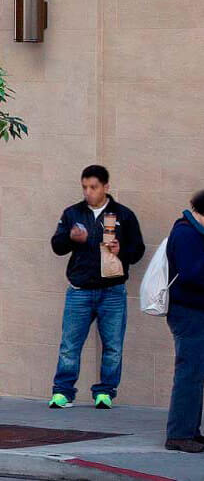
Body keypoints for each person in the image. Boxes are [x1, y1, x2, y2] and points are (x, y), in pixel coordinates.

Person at [48, 165, 145, 409]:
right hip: (79, 289)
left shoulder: (123, 215)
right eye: (84, 187)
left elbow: (138, 250)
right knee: (70, 344)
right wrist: (70, 237)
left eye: (93, 187)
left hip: (112, 290)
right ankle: (63, 392)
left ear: (106, 187)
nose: (88, 192)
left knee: (112, 345)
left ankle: (105, 392)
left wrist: (122, 251)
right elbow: (57, 246)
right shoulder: (73, 213)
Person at [164, 189, 204, 454]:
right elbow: (192, 274)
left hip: (194, 311)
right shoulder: (187, 233)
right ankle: (179, 434)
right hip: (189, 313)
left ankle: (190, 430)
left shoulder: (192, 231)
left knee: (195, 373)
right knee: (189, 373)